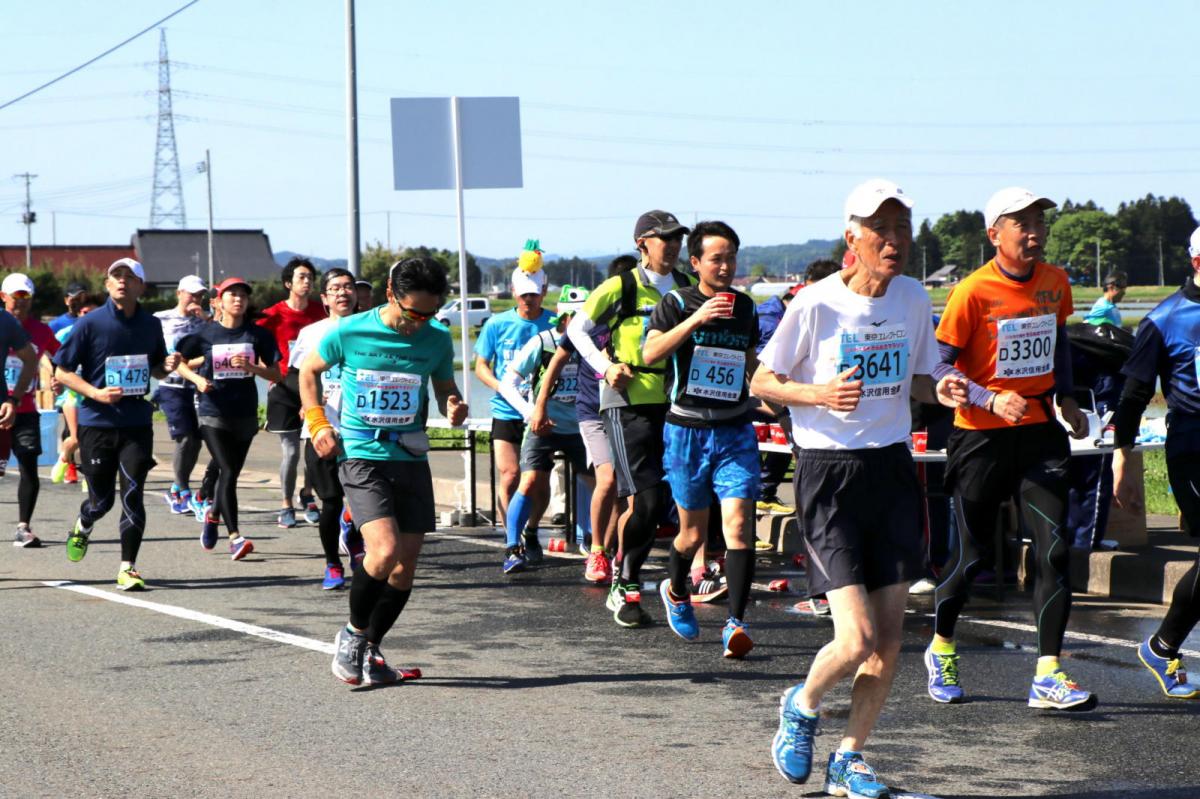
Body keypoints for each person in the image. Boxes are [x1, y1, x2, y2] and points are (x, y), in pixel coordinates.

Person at [752, 179, 966, 796]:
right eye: (882, 231)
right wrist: (818, 393)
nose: (895, 241)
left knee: (891, 642)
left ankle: (850, 756)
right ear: (853, 238)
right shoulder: (815, 303)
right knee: (856, 638)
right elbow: (763, 381)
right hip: (829, 475)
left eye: (903, 229)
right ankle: (802, 702)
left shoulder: (911, 298)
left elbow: (921, 380)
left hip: (892, 471)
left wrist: (944, 389)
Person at [924, 186, 1095, 711]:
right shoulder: (971, 292)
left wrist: (1066, 396)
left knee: (1054, 549)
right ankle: (942, 645)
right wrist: (986, 398)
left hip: (1040, 430)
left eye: (1039, 221)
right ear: (994, 233)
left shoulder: (1055, 281)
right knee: (973, 557)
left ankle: (1048, 673)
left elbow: (1057, 341)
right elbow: (940, 364)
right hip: (979, 435)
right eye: (1021, 222)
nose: (1034, 231)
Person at [300, 256, 468, 687]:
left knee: (404, 568)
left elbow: (445, 385)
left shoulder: (435, 337)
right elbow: (308, 371)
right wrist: (318, 422)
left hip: (410, 456)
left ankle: (372, 649)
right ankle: (353, 635)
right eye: (414, 313)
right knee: (384, 550)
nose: (421, 322)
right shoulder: (351, 330)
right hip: (361, 454)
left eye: (430, 313)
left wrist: (453, 403)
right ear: (391, 294)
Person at [567, 210, 697, 628]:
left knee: (669, 501)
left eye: (678, 238)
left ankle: (646, 579)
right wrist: (605, 367)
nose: (674, 245)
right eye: (665, 238)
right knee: (647, 499)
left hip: (675, 403)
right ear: (642, 243)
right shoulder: (621, 285)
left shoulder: (685, 288)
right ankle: (626, 585)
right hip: (626, 401)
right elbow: (576, 330)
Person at [644, 220, 761, 658]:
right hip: (687, 431)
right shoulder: (675, 302)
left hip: (734, 429)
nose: (727, 265)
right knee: (691, 535)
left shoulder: (746, 308)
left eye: (732, 257)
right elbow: (650, 353)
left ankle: (736, 623)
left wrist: (785, 407)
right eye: (717, 258)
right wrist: (697, 318)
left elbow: (751, 366)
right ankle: (675, 590)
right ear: (696, 263)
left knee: (738, 527)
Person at [52, 258, 182, 590]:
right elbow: (61, 371)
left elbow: (155, 368)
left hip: (137, 422)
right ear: (108, 285)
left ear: (141, 286)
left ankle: (128, 567)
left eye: (129, 277)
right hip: (97, 423)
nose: (122, 281)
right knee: (101, 501)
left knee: (133, 494)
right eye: (116, 277)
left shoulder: (151, 325)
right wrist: (95, 392)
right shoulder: (90, 324)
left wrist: (168, 365)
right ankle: (84, 523)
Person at [1109, 226, 1200, 700]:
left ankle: (1162, 648)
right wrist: (1124, 456)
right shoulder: (1165, 319)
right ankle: (1163, 647)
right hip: (1192, 448)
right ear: (1198, 263)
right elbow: (1134, 396)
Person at [175, 277, 281, 560]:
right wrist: (197, 380)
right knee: (228, 471)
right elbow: (178, 363)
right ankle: (235, 537)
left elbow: (276, 374)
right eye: (231, 295)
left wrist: (251, 367)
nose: (238, 299)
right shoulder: (205, 334)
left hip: (245, 414)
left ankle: (213, 516)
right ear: (218, 301)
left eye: (243, 296)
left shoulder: (258, 336)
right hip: (212, 412)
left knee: (228, 472)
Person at [496, 287, 592, 573]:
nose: (583, 323)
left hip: (581, 426)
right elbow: (507, 383)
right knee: (530, 482)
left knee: (600, 484)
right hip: (543, 425)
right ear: (563, 317)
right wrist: (531, 412)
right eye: (576, 317)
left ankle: (595, 544)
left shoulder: (595, 343)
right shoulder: (543, 341)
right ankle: (514, 548)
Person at [474, 241, 555, 532]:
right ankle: (513, 537)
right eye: (523, 295)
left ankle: (531, 528)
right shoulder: (497, 324)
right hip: (505, 409)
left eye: (533, 294)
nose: (528, 300)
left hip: (542, 410)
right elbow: (481, 366)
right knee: (509, 475)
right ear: (513, 292)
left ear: (544, 291)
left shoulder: (553, 324)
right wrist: (502, 387)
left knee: (538, 479)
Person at [289, 267, 358, 589]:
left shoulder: (370, 328)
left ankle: (356, 543)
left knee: (362, 500)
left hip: (362, 431)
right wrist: (306, 402)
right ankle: (332, 563)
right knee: (330, 501)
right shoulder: (312, 333)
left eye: (348, 287)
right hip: (321, 429)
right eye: (335, 288)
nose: (343, 292)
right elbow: (294, 376)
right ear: (325, 298)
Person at [573, 255, 638, 583]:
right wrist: (539, 406)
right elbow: (559, 360)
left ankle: (614, 550)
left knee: (630, 491)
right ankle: (596, 550)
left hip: (629, 412)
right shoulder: (592, 321)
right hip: (593, 413)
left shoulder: (642, 322)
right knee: (608, 480)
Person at [258, 256, 326, 528]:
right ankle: (286, 504)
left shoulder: (320, 312)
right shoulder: (272, 314)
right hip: (284, 387)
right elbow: (253, 341)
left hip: (313, 387)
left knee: (313, 448)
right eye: (301, 277)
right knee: (291, 452)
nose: (307, 281)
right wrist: (268, 371)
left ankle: (308, 495)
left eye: (310, 277)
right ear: (288, 283)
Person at [0, 274, 59, 547]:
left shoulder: (41, 331)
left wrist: (60, 376)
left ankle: (23, 526)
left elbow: (61, 356)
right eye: (15, 296)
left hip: (24, 409)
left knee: (28, 467)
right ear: (3, 296)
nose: (20, 302)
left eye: (25, 296)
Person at [154, 275, 209, 514]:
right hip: (171, 385)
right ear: (179, 293)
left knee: (196, 442)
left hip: (197, 387)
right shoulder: (160, 319)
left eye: (199, 295)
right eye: (191, 294)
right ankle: (183, 491)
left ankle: (177, 486)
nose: (195, 299)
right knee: (185, 438)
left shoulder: (206, 322)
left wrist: (207, 319)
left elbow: (215, 348)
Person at [49, 295, 100, 487]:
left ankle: (89, 475)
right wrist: (56, 381)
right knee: (77, 436)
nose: (89, 316)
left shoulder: (103, 333)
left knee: (94, 435)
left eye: (94, 313)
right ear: (79, 313)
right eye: (86, 312)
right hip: (72, 392)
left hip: (95, 390)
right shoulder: (67, 333)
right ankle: (65, 457)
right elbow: (55, 361)